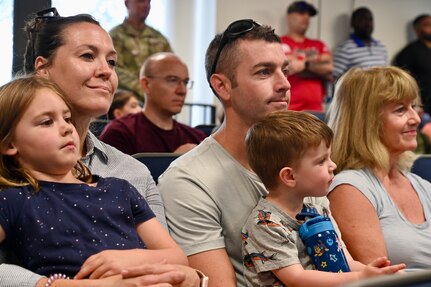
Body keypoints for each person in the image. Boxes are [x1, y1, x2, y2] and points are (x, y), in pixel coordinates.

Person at [0, 8, 202, 287]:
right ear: (43, 69)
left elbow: (173, 262)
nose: (106, 71)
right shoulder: (10, 181)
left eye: (112, 61)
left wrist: (193, 277)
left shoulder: (131, 173)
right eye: (87, 56)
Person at [0, 75, 188, 279]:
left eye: (67, 118)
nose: (66, 128)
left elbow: (177, 257)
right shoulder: (14, 199)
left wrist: (131, 258)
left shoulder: (120, 190)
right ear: (10, 144)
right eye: (47, 122)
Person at [158, 19, 290, 287]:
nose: (284, 84)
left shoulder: (303, 160)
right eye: (264, 72)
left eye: (284, 70)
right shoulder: (187, 180)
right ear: (222, 87)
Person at [242, 110, 405, 286]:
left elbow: (345, 263)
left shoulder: (318, 208)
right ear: (289, 176)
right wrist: (360, 278)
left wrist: (376, 273)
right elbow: (297, 279)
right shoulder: (264, 224)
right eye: (321, 161)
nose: (332, 165)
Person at [327, 66, 431, 270]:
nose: (416, 119)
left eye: (414, 107)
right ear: (367, 122)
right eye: (400, 110)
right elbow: (381, 277)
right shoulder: (350, 188)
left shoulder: (422, 185)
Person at [100, 52, 206, 154]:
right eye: (172, 80)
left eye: (185, 82)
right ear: (146, 84)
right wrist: (173, 162)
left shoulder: (197, 138)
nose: (182, 91)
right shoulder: (120, 133)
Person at [110, 0, 172, 100]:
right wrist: (142, 88)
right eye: (140, 1)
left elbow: (171, 67)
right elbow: (113, 68)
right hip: (124, 101)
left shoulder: (159, 38)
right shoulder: (114, 37)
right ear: (127, 3)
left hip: (156, 100)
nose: (146, 5)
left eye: (148, 2)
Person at [280, 1, 333, 112]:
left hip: (316, 111)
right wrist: (317, 69)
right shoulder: (279, 43)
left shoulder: (318, 44)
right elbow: (289, 66)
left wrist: (304, 64)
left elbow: (329, 68)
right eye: (301, 13)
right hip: (290, 109)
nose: (306, 17)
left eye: (308, 14)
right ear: (289, 17)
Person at [333, 7, 387, 80]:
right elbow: (333, 78)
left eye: (370, 19)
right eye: (363, 19)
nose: (368, 23)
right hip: (356, 91)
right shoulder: (345, 49)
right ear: (353, 23)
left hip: (381, 91)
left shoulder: (381, 47)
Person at [393, 14, 431, 114]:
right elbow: (402, 81)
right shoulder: (409, 53)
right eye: (427, 24)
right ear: (417, 30)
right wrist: (415, 104)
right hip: (423, 108)